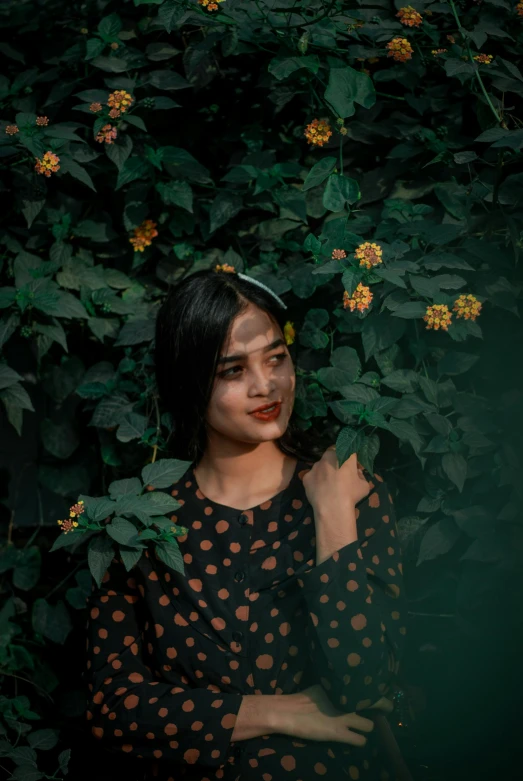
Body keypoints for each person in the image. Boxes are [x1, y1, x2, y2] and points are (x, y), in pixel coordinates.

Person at [85, 267, 408, 781]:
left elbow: (367, 687)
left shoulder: (349, 491)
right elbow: (113, 707)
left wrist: (331, 515)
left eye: (276, 358)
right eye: (232, 371)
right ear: (190, 382)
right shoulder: (139, 524)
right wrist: (264, 711)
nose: (267, 385)